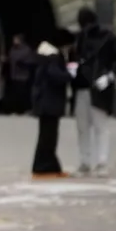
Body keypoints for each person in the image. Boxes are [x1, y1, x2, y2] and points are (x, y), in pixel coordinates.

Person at [69, 7, 116, 177]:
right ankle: (86, 162)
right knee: (83, 127)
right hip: (82, 87)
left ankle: (101, 161)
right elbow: (74, 57)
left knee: (99, 127)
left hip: (99, 87)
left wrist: (109, 76)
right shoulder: (80, 38)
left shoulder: (108, 38)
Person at [30, 30, 74, 178]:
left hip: (45, 102)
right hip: (50, 102)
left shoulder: (45, 55)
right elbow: (55, 75)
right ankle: (44, 167)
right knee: (48, 137)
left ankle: (49, 166)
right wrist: (69, 75)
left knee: (47, 136)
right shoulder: (53, 57)